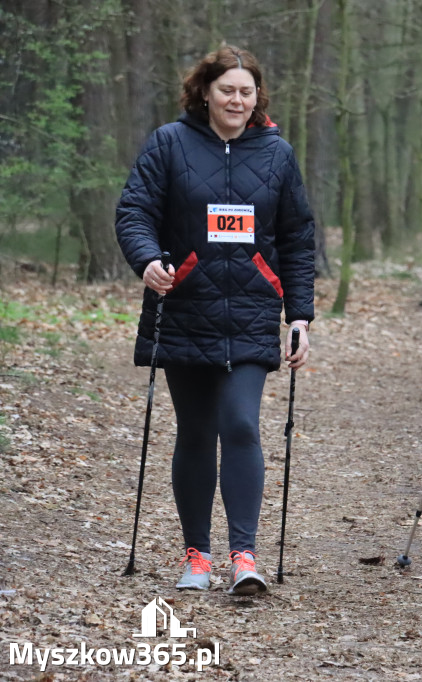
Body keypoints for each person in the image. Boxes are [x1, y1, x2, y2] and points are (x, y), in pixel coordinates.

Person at [116, 46, 315, 596]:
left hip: (252, 313)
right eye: (227, 89)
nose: (237, 99)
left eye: (246, 91)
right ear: (205, 91)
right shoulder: (169, 144)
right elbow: (135, 211)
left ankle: (244, 556)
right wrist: (149, 259)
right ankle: (197, 555)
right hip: (183, 309)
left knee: (242, 423)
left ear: (258, 98)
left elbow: (298, 238)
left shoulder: (277, 155)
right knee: (197, 432)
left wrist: (299, 315)